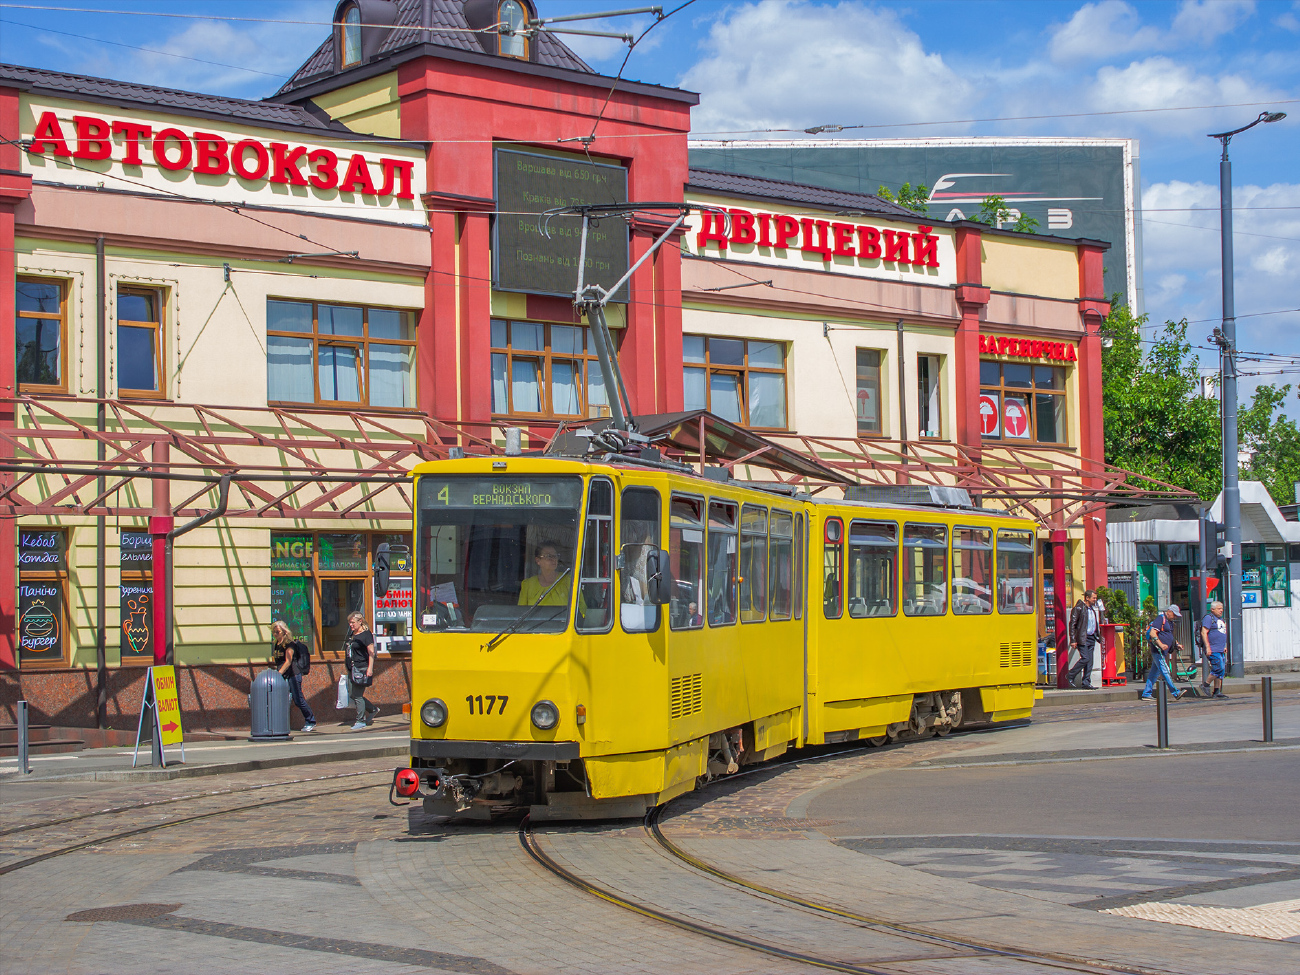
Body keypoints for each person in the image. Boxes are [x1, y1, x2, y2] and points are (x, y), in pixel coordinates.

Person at [271, 620, 315, 732]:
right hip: (283, 675)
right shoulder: (276, 644)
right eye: (274, 632)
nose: (275, 634)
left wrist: (279, 673)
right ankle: (281, 723)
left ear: (284, 632)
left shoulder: (289, 644)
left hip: (293, 675)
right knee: (282, 699)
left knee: (298, 699)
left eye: (277, 632)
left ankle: (310, 720)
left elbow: (288, 661)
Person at [1140, 604, 1185, 701]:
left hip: (1163, 652)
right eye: (1174, 614)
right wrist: (1161, 645)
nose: (1175, 617)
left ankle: (1146, 693)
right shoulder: (1160, 619)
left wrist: (1177, 644)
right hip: (1158, 651)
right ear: (1169, 612)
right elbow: (1153, 633)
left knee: (1153, 674)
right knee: (1165, 671)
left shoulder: (1170, 622)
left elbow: (1170, 636)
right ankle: (1175, 692)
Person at [345, 611, 379, 730]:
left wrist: (370, 668)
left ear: (360, 621)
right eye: (349, 623)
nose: (351, 625)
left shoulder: (366, 635)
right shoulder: (353, 634)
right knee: (352, 694)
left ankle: (361, 720)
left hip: (362, 667)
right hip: (352, 668)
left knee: (358, 695)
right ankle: (372, 709)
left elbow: (371, 653)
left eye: (352, 622)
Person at [518, 542, 572, 607]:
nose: (553, 559)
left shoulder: (568, 581)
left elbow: (580, 608)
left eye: (555, 556)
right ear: (538, 560)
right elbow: (521, 611)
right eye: (549, 556)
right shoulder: (528, 585)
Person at [1068, 589, 1102, 689]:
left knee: (1090, 661)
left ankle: (1086, 682)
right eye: (1093, 598)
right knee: (1085, 658)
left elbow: (1094, 623)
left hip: (1091, 637)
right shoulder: (1079, 608)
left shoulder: (1091, 609)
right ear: (1087, 598)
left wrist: (1097, 636)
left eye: (1095, 598)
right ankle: (1070, 675)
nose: (1095, 600)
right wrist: (1073, 640)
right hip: (1083, 638)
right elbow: (1072, 625)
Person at [1199, 600, 1229, 699]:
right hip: (1213, 648)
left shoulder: (1221, 619)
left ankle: (1217, 691)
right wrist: (1208, 647)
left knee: (1221, 670)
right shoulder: (1208, 618)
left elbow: (1222, 633)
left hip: (1220, 648)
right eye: (1219, 609)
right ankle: (1205, 685)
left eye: (1222, 608)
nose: (1221, 610)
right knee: (1218, 667)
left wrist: (1224, 646)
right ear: (1212, 609)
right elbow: (1204, 632)